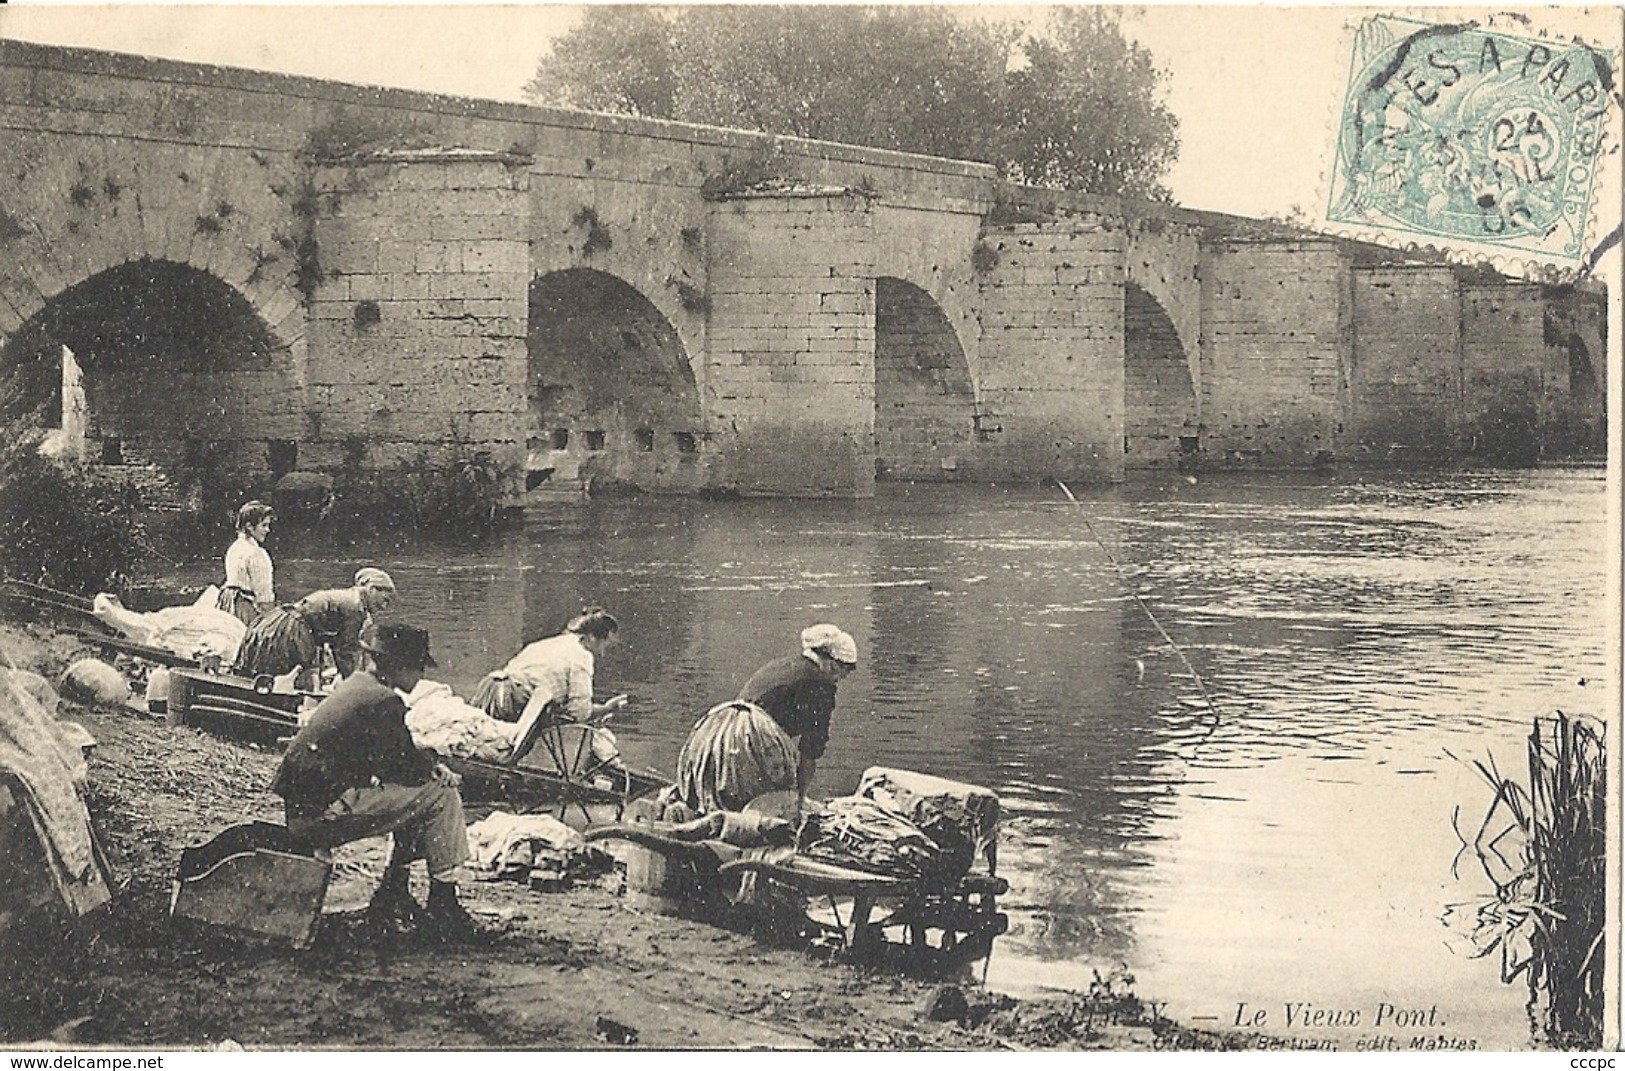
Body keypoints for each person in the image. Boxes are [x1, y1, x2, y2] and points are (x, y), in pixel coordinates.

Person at [271, 623, 478, 939]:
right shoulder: (384, 701)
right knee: (441, 795)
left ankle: (394, 891)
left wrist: (425, 761)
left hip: (305, 810)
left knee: (420, 796)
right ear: (398, 667)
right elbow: (406, 769)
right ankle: (443, 903)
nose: (421, 676)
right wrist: (434, 764)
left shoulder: (358, 685)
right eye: (418, 667)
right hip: (319, 818)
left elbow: (394, 760)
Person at [472, 607, 629, 765]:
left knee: (483, 746)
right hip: (515, 700)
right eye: (604, 645)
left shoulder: (549, 643)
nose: (602, 652)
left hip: (490, 690)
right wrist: (607, 708)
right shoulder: (581, 656)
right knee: (509, 751)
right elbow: (579, 713)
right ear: (591, 637)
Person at [737, 624, 858, 796]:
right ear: (827, 660)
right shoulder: (820, 684)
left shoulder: (781, 665)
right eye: (840, 669)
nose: (840, 677)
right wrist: (800, 799)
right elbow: (810, 750)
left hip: (721, 732)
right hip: (751, 741)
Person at [232, 567, 396, 690]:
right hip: (293, 629)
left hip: (283, 621)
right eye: (385, 600)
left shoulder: (351, 599)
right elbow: (345, 651)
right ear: (372, 589)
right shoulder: (356, 607)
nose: (384, 606)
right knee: (288, 672)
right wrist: (353, 686)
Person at [215, 501, 276, 626]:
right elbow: (264, 596)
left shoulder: (235, 548)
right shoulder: (256, 553)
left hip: (227, 604)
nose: (267, 530)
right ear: (249, 526)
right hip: (245, 609)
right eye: (263, 525)